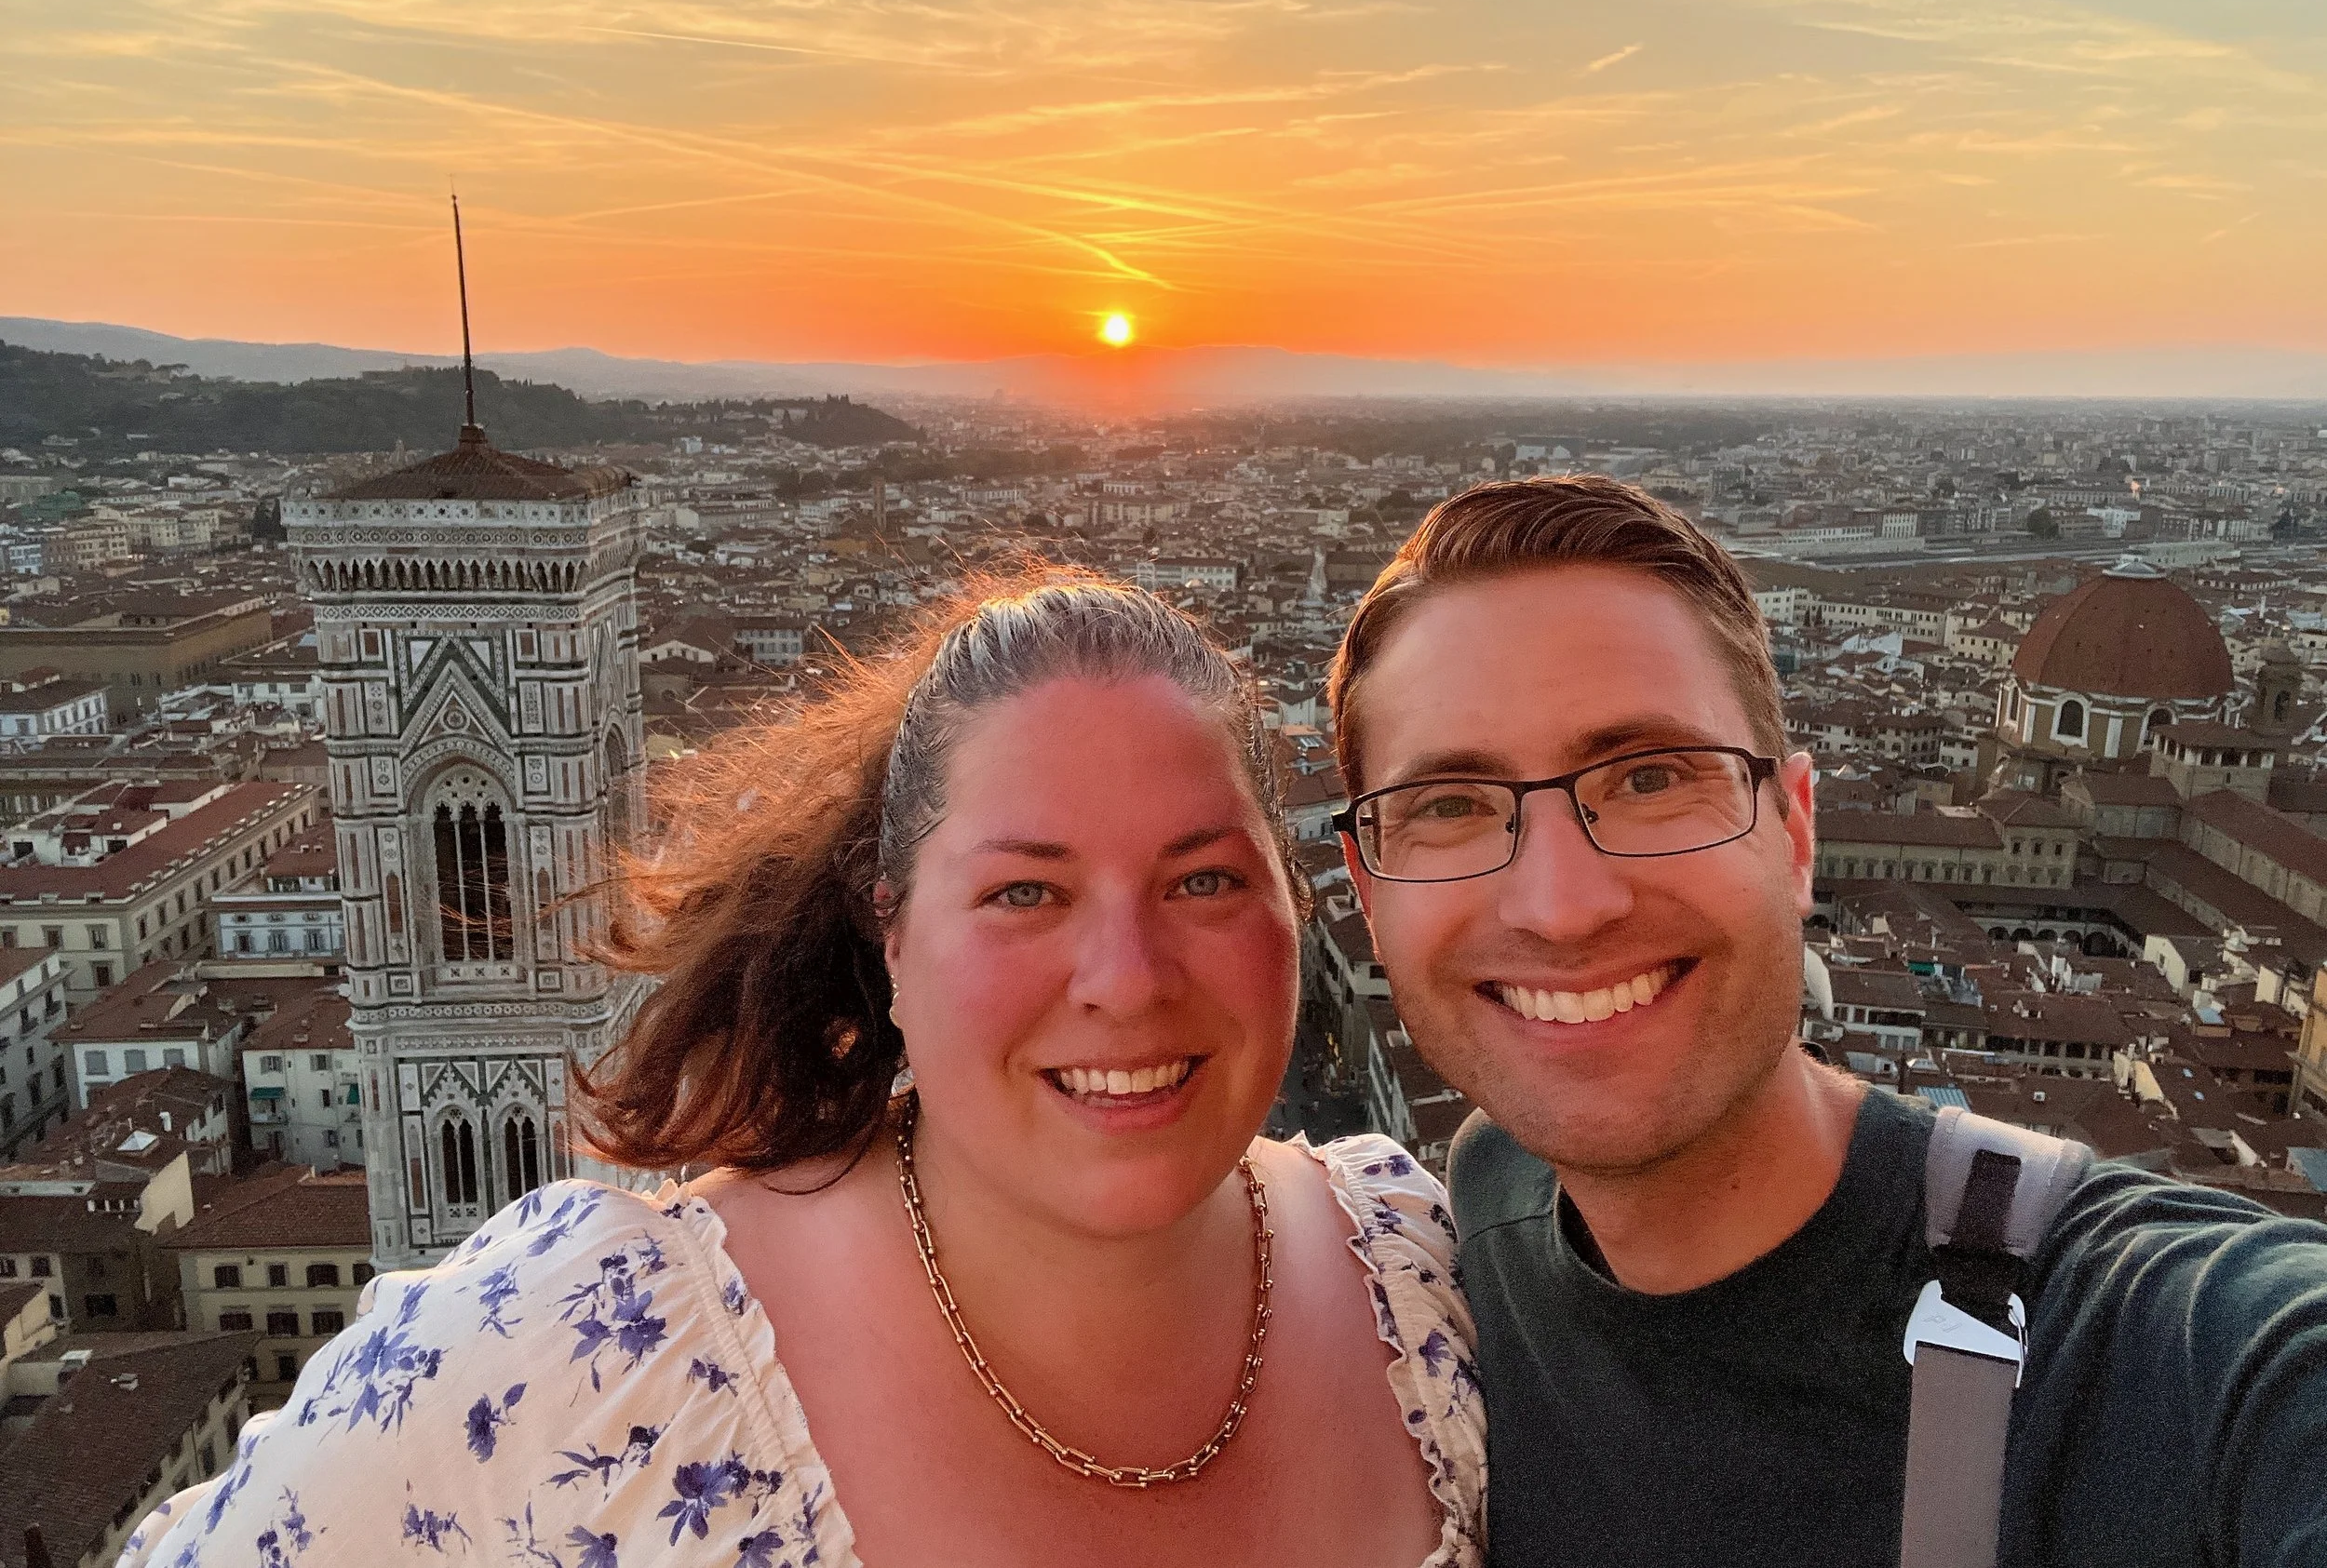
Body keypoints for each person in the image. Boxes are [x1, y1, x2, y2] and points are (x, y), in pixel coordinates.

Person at [120, 577, 1483, 1568]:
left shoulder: (1420, 1274)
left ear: (1298, 906)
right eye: (1023, 891)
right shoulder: (586, 1352)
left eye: (1202, 876)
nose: (1124, 975)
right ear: (888, 929)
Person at [1326, 475, 2327, 1568]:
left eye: (1653, 776)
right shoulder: (1485, 1204)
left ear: (1797, 834)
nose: (1564, 907)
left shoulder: (2181, 1356)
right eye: (1449, 807)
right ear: (1367, 894)